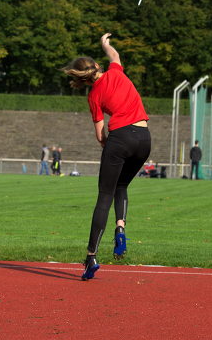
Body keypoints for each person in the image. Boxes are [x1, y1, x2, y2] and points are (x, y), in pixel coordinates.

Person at [62, 33, 151, 281]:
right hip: (145, 139)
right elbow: (115, 55)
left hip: (120, 138)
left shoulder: (93, 96)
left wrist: (109, 147)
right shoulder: (116, 72)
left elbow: (100, 134)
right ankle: (120, 227)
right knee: (122, 184)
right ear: (97, 66)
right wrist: (105, 44)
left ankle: (91, 256)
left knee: (104, 196)